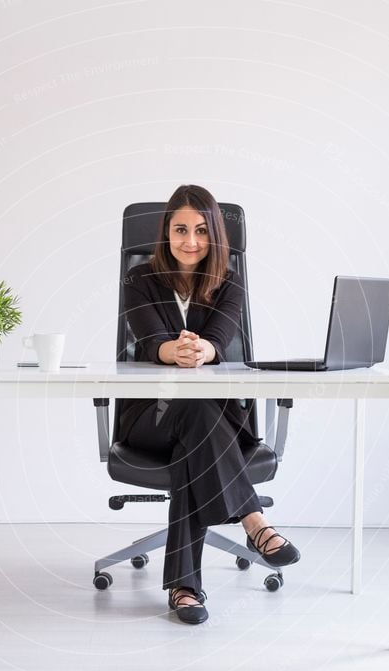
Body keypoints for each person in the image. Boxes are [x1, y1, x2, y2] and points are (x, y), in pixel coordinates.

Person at [119, 185, 300, 625]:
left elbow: (219, 340)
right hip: (150, 420)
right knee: (194, 412)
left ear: (216, 235)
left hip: (206, 427)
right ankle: (254, 520)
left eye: (201, 230)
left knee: (193, 445)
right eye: (180, 229)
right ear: (166, 233)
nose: (191, 240)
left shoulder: (230, 282)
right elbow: (147, 341)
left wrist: (203, 352)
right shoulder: (138, 279)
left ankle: (185, 589)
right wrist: (170, 352)